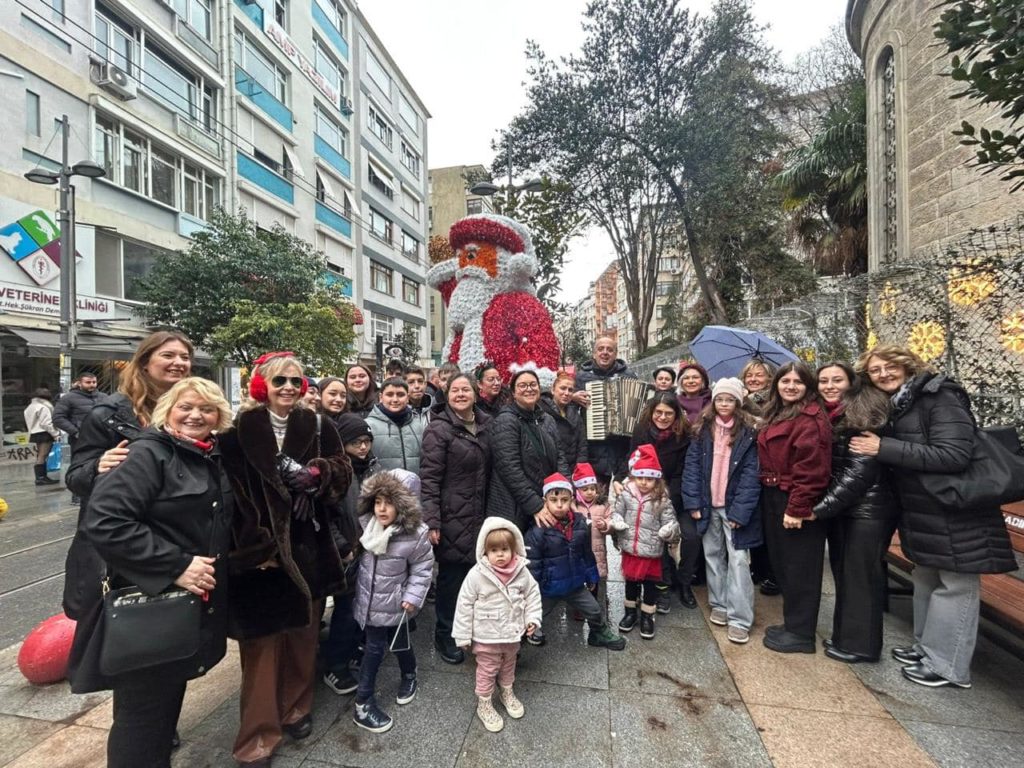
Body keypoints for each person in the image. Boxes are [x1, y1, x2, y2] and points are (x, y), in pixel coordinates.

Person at [67, 377, 233, 768]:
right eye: (186, 407)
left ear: (219, 417)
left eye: (206, 409)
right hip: (149, 605)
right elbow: (105, 521)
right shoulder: (148, 453)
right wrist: (175, 565)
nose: (196, 415)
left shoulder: (202, 453)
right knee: (142, 718)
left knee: (162, 710)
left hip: (179, 607)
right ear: (167, 411)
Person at [850, 345, 1015, 687]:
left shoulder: (939, 397)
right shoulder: (902, 403)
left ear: (908, 366)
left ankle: (947, 666)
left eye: (889, 367)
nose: (882, 374)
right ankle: (926, 648)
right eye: (875, 370)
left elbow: (954, 455)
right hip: (927, 508)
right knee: (927, 576)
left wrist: (884, 448)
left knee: (955, 585)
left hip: (956, 507)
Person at [219, 352, 352, 766]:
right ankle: (257, 736)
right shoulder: (236, 432)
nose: (290, 388)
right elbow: (228, 496)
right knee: (260, 652)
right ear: (263, 385)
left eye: (296, 381)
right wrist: (252, 548)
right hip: (258, 559)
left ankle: (297, 708)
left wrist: (317, 475)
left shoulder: (316, 424)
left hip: (308, 549)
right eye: (280, 381)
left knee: (303, 638)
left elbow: (343, 468)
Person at [64, 331, 194, 624]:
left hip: (173, 545)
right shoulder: (109, 413)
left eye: (185, 357)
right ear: (146, 362)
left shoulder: (192, 411)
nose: (178, 363)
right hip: (119, 551)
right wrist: (97, 465)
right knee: (115, 646)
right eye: (168, 355)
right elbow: (74, 477)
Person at [812, 365, 898, 664]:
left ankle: (861, 646)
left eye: (837, 380)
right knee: (846, 575)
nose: (829, 386)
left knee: (860, 577)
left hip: (867, 512)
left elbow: (857, 475)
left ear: (851, 382)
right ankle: (847, 638)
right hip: (847, 511)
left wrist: (820, 509)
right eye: (823, 380)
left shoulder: (863, 414)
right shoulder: (833, 414)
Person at [757, 361, 832, 654]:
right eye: (785, 381)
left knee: (800, 567)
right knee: (784, 564)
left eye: (797, 382)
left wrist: (797, 507)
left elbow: (812, 468)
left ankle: (801, 633)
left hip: (793, 497)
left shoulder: (811, 419)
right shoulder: (778, 413)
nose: (790, 386)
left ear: (808, 386)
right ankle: (793, 624)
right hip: (774, 494)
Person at [351, 471, 434, 733]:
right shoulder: (367, 526)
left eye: (389, 502)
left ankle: (409, 673)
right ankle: (363, 702)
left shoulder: (415, 535)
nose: (382, 508)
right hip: (369, 601)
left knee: (399, 644)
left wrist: (412, 597)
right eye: (378, 501)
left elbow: (423, 568)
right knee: (374, 648)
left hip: (397, 603)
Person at [683, 378, 762, 645]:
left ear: (738, 402)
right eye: (720, 399)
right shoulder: (703, 429)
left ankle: (740, 617)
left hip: (733, 506)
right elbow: (692, 468)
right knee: (712, 555)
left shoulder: (749, 432)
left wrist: (741, 511)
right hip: (707, 503)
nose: (724, 404)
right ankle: (718, 602)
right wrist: (693, 502)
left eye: (730, 399)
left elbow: (752, 475)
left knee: (739, 560)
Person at [420, 373, 491, 665]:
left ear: (476, 394)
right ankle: (445, 633)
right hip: (452, 515)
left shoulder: (488, 425)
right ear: (446, 395)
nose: (460, 394)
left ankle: (470, 629)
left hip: (481, 513)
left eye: (466, 389)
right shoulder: (438, 430)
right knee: (452, 578)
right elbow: (429, 478)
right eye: (455, 390)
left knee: (477, 577)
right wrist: (432, 520)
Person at [452, 517, 543, 733]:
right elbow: (464, 604)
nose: (500, 554)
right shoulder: (477, 575)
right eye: (494, 550)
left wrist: (532, 619)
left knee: (509, 664)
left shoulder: (522, 571)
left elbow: (532, 594)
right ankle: (484, 702)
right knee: (487, 669)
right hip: (486, 635)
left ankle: (506, 691)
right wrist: (463, 636)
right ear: (485, 551)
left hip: (512, 633)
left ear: (514, 549)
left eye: (504, 549)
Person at [524, 473, 626, 650]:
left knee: (594, 610)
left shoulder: (580, 524)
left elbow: (586, 554)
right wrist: (532, 590)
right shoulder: (538, 531)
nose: (559, 505)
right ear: (544, 500)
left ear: (571, 499)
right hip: (548, 588)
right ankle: (513, 645)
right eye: (554, 500)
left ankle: (598, 634)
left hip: (574, 584)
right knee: (531, 618)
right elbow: (533, 565)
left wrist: (592, 576)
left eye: (564, 500)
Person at [322, 414, 380, 696]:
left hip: (369, 547)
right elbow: (327, 515)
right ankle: (336, 664)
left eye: (367, 441)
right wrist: (343, 546)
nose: (363, 447)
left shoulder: (371, 467)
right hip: (346, 550)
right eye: (356, 442)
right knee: (345, 611)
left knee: (362, 606)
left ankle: (355, 649)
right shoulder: (336, 472)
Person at [629, 392, 695, 612]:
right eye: (659, 412)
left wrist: (666, 500)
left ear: (676, 415)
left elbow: (681, 473)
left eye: (669, 413)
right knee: (652, 533)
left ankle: (684, 582)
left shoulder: (684, 436)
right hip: (646, 493)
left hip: (674, 495)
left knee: (691, 536)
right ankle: (657, 584)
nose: (663, 417)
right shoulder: (641, 431)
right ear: (652, 412)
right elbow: (631, 462)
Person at [607, 445, 680, 640]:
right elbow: (617, 511)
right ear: (634, 477)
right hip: (631, 547)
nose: (644, 483)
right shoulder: (626, 493)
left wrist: (669, 530)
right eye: (640, 478)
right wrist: (617, 521)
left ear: (656, 479)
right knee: (631, 582)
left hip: (651, 550)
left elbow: (670, 521)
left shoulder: (662, 498)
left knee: (650, 584)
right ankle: (630, 612)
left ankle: (648, 615)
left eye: (649, 479)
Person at [487, 368, 563, 531]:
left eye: (533, 384)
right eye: (522, 385)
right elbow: (509, 468)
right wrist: (534, 504)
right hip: (515, 506)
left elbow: (560, 457)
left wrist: (563, 492)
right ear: (513, 393)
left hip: (547, 499)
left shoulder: (547, 419)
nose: (529, 389)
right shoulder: (506, 420)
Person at [573, 336, 638, 486]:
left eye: (610, 349)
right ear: (594, 354)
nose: (605, 352)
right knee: (597, 496)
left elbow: (637, 406)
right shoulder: (582, 377)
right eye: (600, 349)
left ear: (616, 354)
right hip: (594, 447)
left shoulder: (629, 376)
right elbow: (567, 407)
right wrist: (572, 398)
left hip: (622, 445)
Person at [742, 357, 780, 596]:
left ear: (769, 378)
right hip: (749, 467)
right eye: (749, 376)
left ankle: (773, 574)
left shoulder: (776, 401)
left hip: (771, 468)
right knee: (754, 519)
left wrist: (747, 402)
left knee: (771, 525)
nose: (753, 380)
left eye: (759, 375)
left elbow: (767, 424)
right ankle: (757, 568)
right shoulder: (740, 399)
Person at [53, 371, 105, 500]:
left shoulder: (103, 397)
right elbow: (58, 418)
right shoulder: (69, 398)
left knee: (101, 465)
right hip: (80, 440)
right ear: (80, 383)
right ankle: (77, 495)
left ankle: (99, 492)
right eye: (88, 382)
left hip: (102, 438)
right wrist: (76, 432)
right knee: (80, 467)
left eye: (94, 382)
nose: (92, 385)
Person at [366, 377, 427, 474]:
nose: (395, 399)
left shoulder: (418, 424)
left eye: (400, 395)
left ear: (407, 398)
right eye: (390, 395)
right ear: (381, 398)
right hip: (383, 487)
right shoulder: (369, 426)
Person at [572, 463, 610, 602]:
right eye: (585, 489)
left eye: (592, 488)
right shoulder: (574, 507)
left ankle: (594, 601)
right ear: (577, 491)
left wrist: (606, 525)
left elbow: (611, 519)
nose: (589, 492)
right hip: (579, 550)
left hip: (597, 549)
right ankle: (580, 605)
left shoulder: (602, 505)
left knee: (595, 576)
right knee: (579, 577)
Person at [539, 371, 588, 476]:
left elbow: (582, 444)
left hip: (573, 471)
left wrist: (579, 468)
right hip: (552, 471)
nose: (566, 393)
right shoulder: (542, 412)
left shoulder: (575, 415)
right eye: (563, 388)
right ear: (553, 390)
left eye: (570, 390)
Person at [24, 387, 60, 485]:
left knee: (40, 455)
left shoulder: (30, 406)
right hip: (44, 433)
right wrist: (56, 434)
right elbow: (46, 423)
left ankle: (41, 477)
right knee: (43, 455)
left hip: (35, 432)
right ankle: (41, 478)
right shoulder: (44, 407)